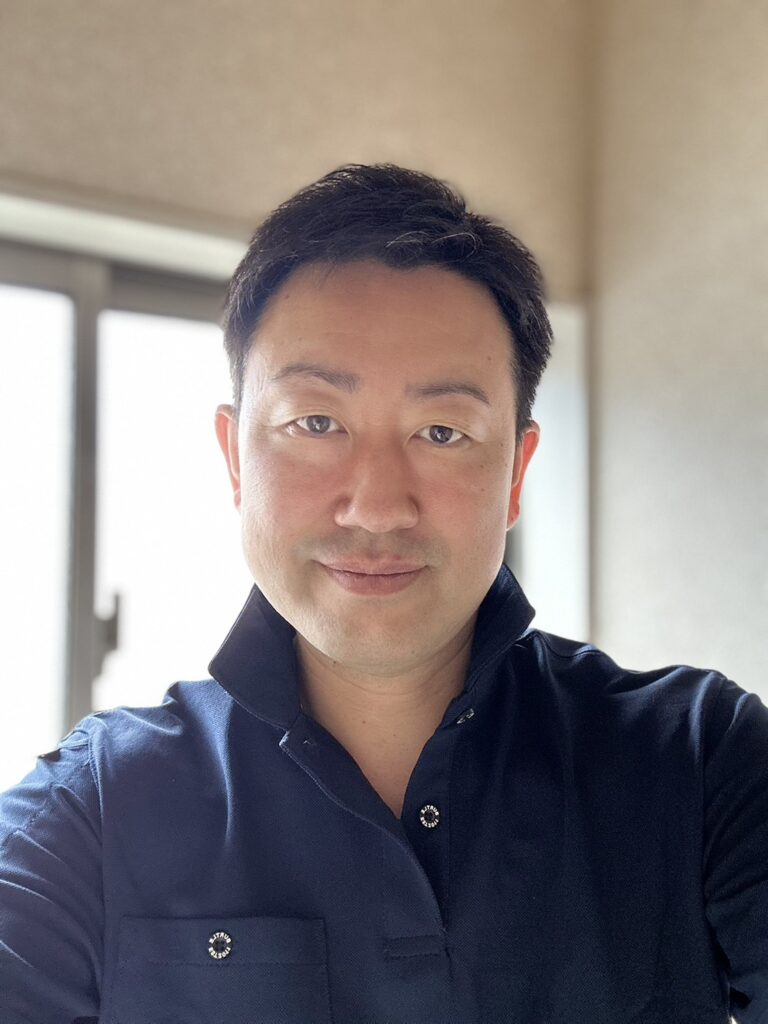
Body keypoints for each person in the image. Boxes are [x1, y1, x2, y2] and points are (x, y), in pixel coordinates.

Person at [1, 164, 766, 1024]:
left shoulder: (700, 761)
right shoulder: (94, 811)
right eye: (316, 422)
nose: (375, 506)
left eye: (442, 431)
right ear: (235, 457)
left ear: (516, 475)